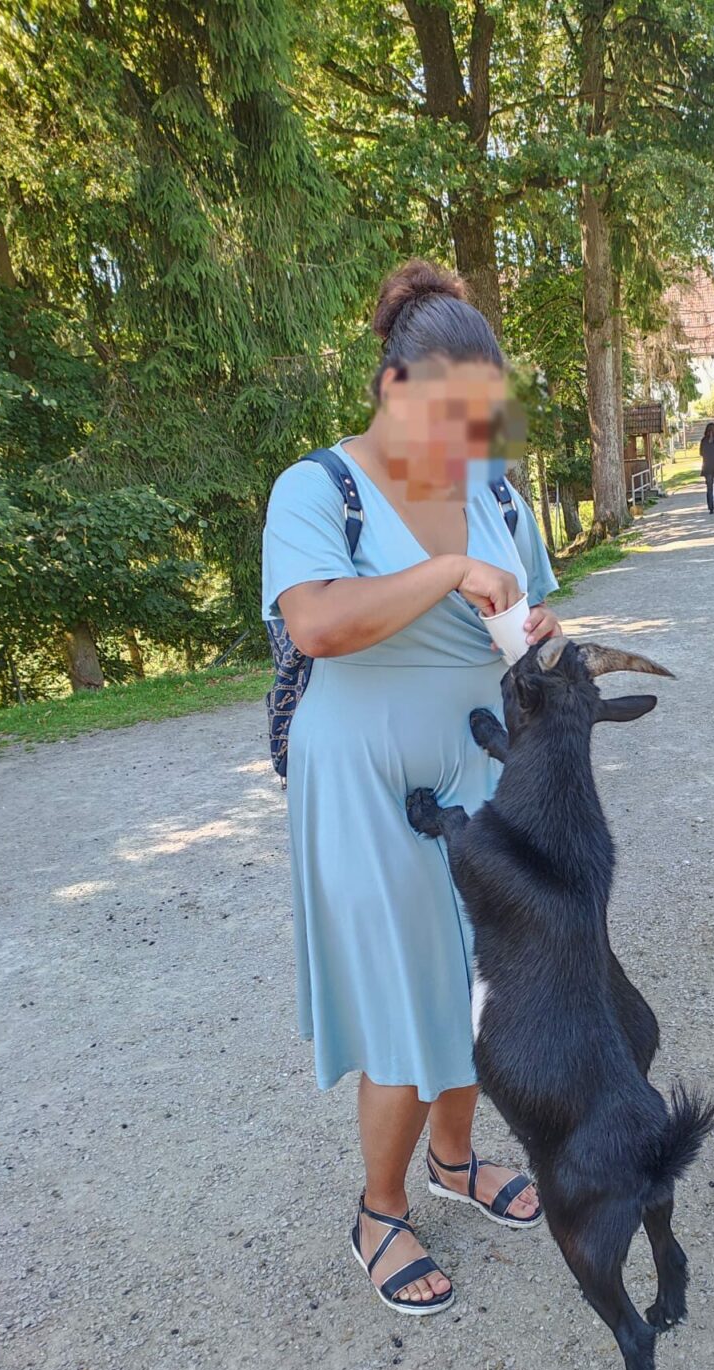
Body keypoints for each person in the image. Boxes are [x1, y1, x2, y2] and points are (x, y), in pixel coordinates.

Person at [262, 259, 560, 1315]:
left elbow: (527, 602)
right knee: (404, 991)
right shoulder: (318, 488)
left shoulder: (497, 486)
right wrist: (444, 572)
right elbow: (317, 624)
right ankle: (380, 1209)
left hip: (483, 755)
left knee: (485, 979)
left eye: (482, 419)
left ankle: (455, 1156)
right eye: (447, 415)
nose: (466, 441)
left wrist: (535, 628)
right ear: (393, 388)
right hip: (365, 769)